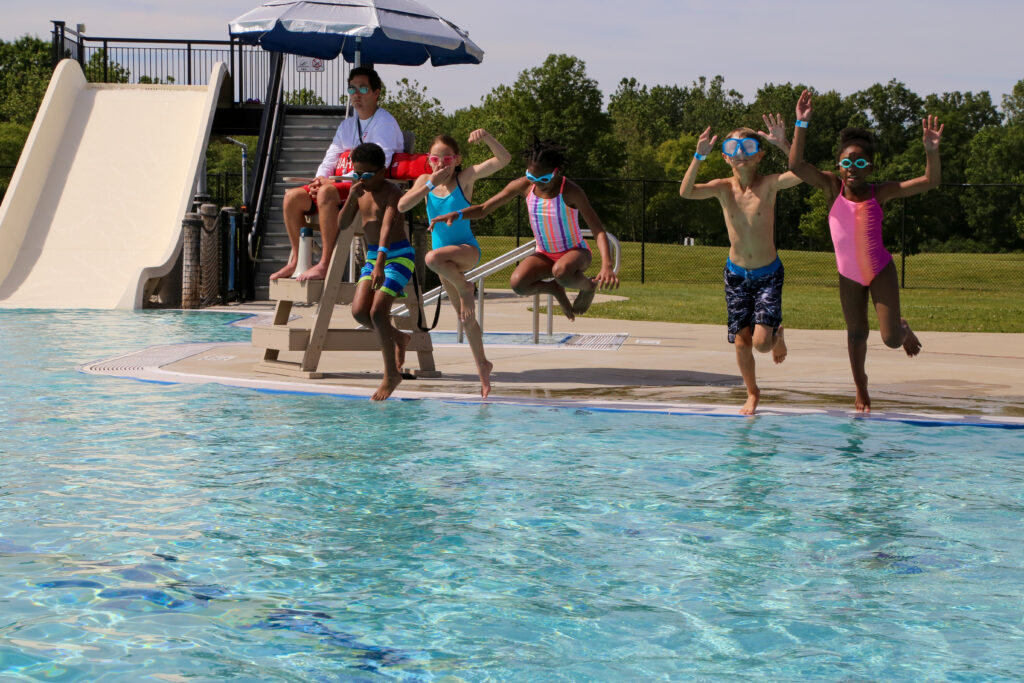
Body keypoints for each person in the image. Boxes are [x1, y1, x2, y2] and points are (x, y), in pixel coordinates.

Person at [788, 89, 940, 412]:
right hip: (849, 275)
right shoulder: (832, 187)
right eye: (846, 162)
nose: (851, 168)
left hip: (879, 269)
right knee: (856, 333)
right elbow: (797, 164)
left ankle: (901, 327)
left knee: (889, 340)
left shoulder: (879, 192)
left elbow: (930, 181)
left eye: (859, 162)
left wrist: (930, 151)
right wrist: (801, 124)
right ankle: (861, 386)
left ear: (870, 167)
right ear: (839, 166)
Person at [679, 115, 800, 415]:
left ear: (760, 154)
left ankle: (776, 334)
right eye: (734, 147)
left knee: (761, 344)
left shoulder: (769, 185)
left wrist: (784, 143)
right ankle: (752, 393)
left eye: (748, 146)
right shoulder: (722, 188)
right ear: (725, 157)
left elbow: (802, 174)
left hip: (768, 274)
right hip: (735, 275)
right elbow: (686, 191)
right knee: (742, 343)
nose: (741, 153)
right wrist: (698, 156)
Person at [429, 137, 619, 319]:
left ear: (556, 171)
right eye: (530, 176)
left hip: (576, 252)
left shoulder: (570, 191)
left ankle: (588, 286)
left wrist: (606, 265)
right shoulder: (524, 185)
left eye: (543, 179)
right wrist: (458, 213)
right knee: (518, 283)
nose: (535, 182)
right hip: (545, 254)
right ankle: (554, 288)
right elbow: (484, 208)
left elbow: (598, 230)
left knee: (561, 271)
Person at [397, 129, 512, 398]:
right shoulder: (425, 180)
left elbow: (503, 159)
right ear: (429, 161)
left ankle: (465, 287)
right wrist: (428, 184)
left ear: (457, 160)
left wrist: (487, 138)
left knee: (430, 257)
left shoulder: (465, 178)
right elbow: (402, 206)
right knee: (465, 317)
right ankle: (483, 366)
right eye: (436, 159)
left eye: (447, 160)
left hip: (465, 251)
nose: (441, 165)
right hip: (444, 266)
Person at [269, 66, 404, 281]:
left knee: (326, 192)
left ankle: (325, 262)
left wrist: (328, 182)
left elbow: (381, 162)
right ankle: (297, 259)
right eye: (352, 90)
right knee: (292, 198)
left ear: (376, 93)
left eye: (362, 88)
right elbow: (330, 157)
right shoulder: (347, 125)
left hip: (365, 189)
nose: (356, 95)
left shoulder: (385, 123)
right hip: (340, 185)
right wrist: (318, 179)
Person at [333, 143, 414, 401]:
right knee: (359, 312)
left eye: (366, 175)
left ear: (382, 172)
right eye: (356, 174)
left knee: (378, 312)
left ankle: (391, 375)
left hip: (398, 255)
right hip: (372, 257)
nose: (361, 180)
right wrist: (352, 198)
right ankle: (399, 337)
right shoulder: (360, 193)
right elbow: (342, 224)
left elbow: (388, 227)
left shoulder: (393, 192)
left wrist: (380, 263)